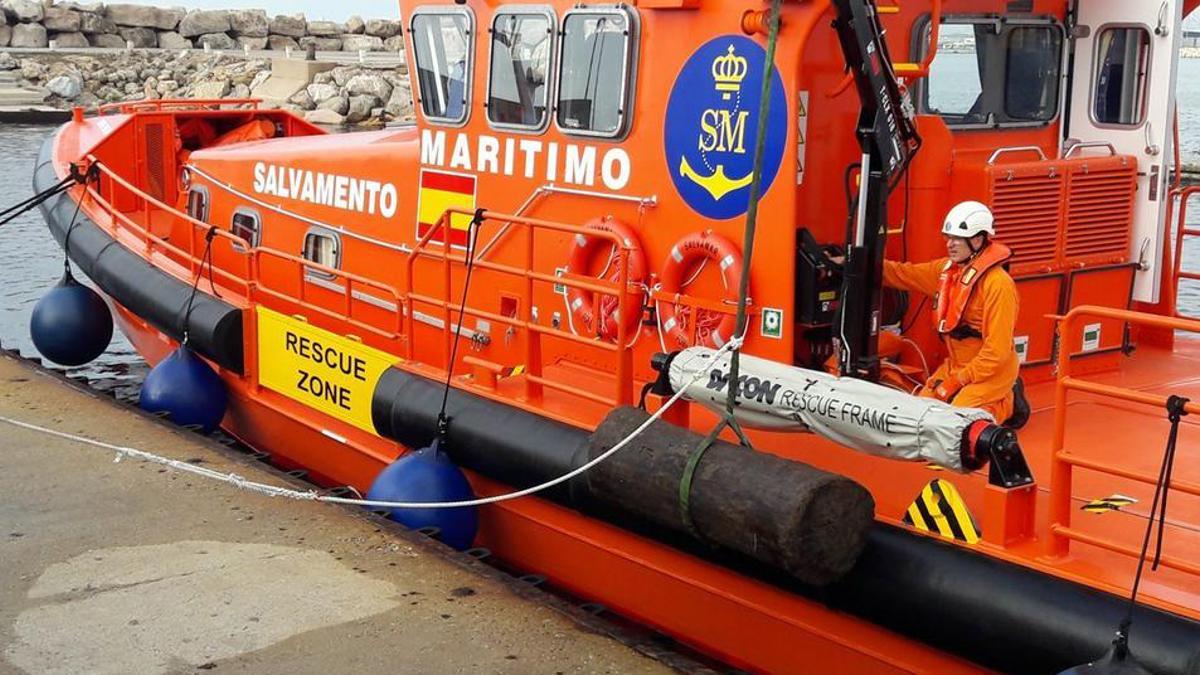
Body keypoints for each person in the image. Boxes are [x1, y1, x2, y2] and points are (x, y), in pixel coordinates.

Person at [834, 201, 1023, 423]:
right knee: (919, 415)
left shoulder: (998, 285)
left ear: (978, 240)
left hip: (991, 373)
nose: (950, 244)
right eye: (948, 238)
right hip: (957, 365)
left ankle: (1008, 402)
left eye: (957, 239)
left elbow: (997, 353)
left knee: (957, 423)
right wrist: (853, 264)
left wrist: (959, 380)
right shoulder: (946, 271)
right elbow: (905, 274)